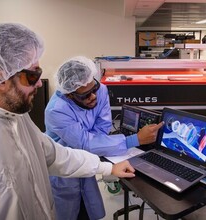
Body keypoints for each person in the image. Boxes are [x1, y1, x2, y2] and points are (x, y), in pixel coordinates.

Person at [0, 23, 136, 220]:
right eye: (33, 75)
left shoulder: (14, 115)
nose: (40, 82)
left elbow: (54, 155)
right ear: (1, 78)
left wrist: (108, 168)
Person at [44, 56, 164, 220]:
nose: (93, 96)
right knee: (68, 212)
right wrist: (134, 140)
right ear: (70, 95)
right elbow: (86, 143)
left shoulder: (100, 90)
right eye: (85, 95)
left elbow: (102, 126)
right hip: (64, 169)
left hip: (88, 160)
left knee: (88, 208)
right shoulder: (57, 110)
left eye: (94, 89)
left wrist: (97, 144)